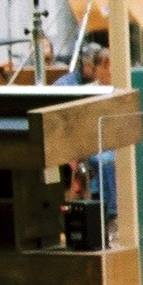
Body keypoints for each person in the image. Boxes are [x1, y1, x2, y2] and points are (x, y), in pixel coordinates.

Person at [54, 44, 118, 216]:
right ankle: (112, 211)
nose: (109, 70)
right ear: (96, 69)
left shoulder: (121, 90)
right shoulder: (85, 93)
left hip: (118, 142)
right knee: (103, 159)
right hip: (93, 145)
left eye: (111, 65)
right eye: (105, 65)